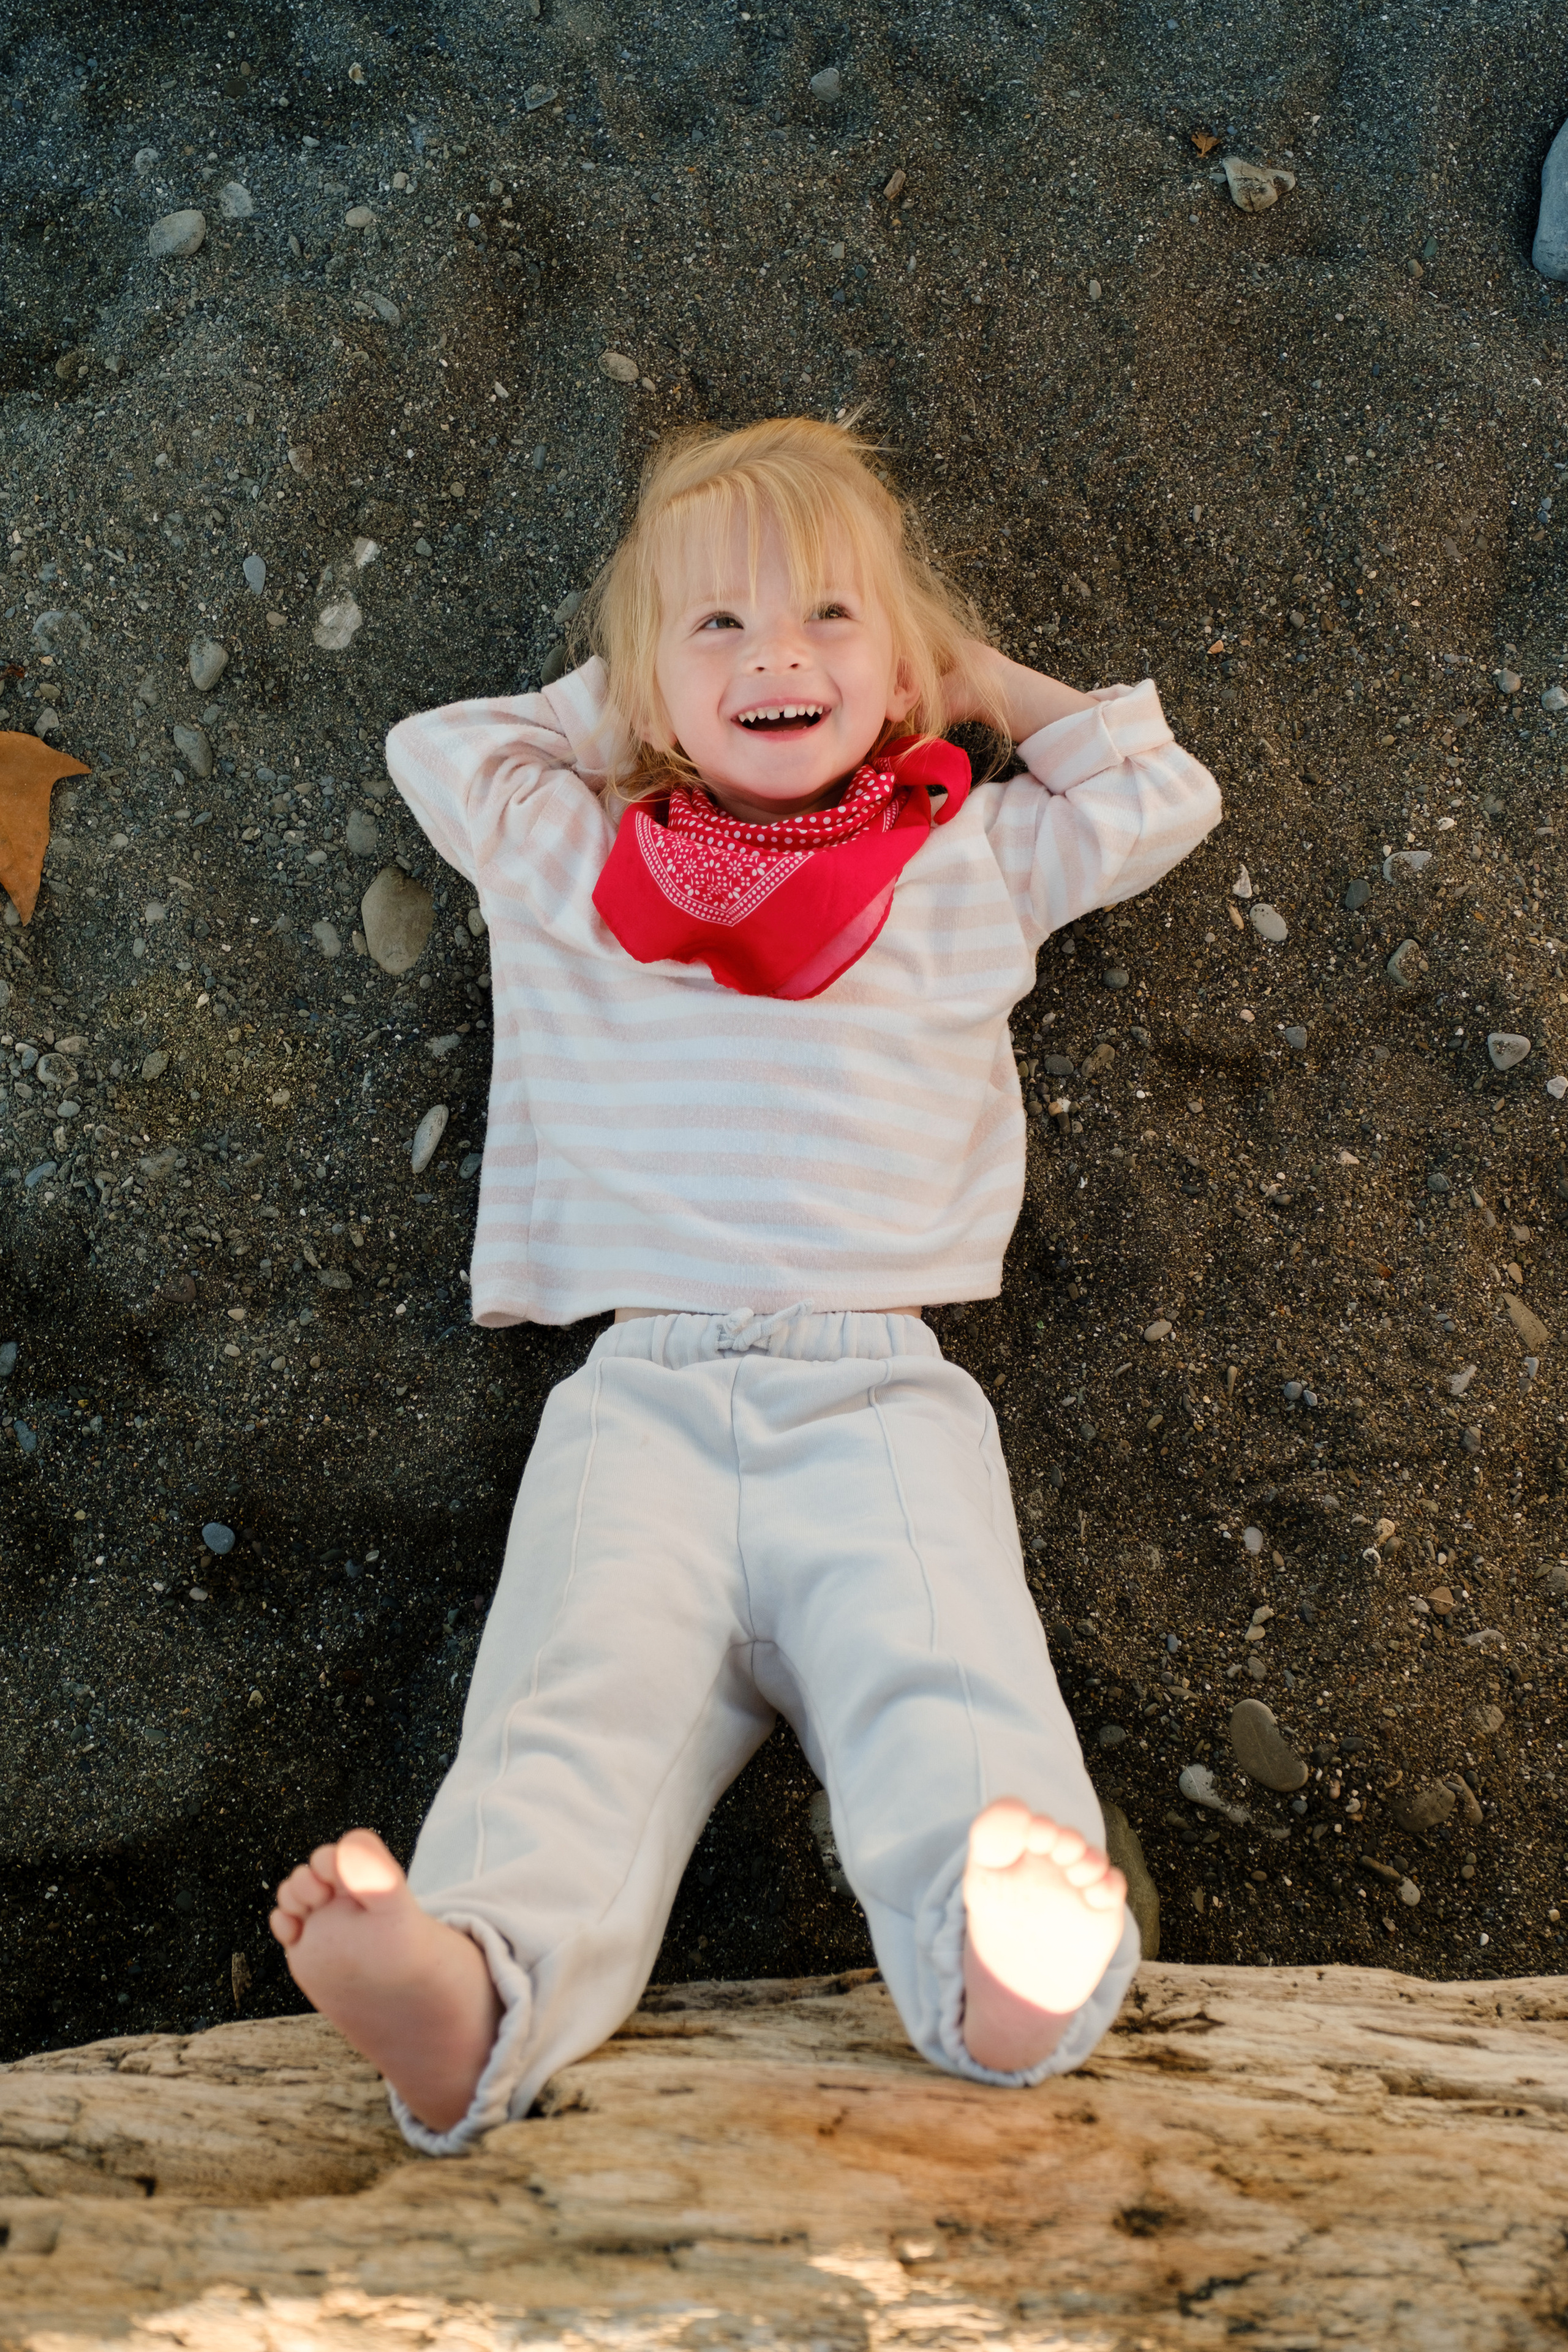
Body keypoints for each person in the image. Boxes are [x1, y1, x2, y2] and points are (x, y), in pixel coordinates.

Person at [269, 417, 1222, 2152]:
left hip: (878, 1394)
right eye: (714, 627)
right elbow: (445, 744)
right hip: (637, 1395)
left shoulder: (964, 855)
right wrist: (612, 706)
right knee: (575, 1706)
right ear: (642, 694)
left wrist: (977, 674)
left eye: (833, 621)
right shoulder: (580, 860)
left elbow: (1158, 793)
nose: (777, 652)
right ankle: (470, 1990)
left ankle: (995, 1965)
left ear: (904, 664)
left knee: (947, 1677)